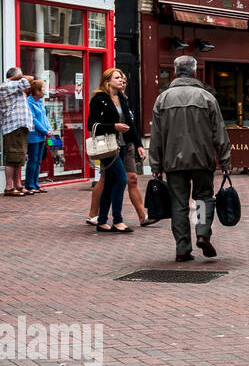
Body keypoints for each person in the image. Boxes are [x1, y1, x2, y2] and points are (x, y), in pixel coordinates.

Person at [149, 56, 232, 259]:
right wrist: (225, 160)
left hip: (172, 160)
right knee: (203, 197)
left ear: (176, 72)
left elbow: (156, 136)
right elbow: (219, 132)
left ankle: (182, 248)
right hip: (202, 158)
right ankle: (202, 232)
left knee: (179, 203)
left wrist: (155, 163)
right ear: (195, 72)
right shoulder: (207, 98)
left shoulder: (163, 99)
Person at [86, 68, 152, 227]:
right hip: (109, 147)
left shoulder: (122, 98)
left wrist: (139, 145)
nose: (122, 80)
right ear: (108, 81)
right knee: (115, 180)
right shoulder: (99, 99)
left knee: (131, 178)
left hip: (126, 145)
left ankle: (140, 216)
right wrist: (113, 126)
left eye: (122, 78)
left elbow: (131, 124)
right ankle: (108, 218)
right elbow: (91, 125)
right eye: (117, 78)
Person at [2, 67, 33, 197]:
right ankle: (9, 187)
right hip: (13, 126)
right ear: (16, 76)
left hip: (19, 126)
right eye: (20, 74)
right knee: (12, 157)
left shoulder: (14, 86)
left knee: (19, 157)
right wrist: (20, 76)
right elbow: (30, 79)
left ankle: (18, 184)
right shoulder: (8, 86)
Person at [22, 80, 50, 193]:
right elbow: (33, 120)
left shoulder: (40, 102)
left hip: (42, 135)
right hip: (33, 135)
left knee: (38, 161)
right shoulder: (29, 102)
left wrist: (49, 129)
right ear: (36, 91)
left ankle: (36, 183)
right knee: (32, 160)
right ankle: (30, 185)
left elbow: (44, 117)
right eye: (42, 89)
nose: (44, 91)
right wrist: (45, 131)